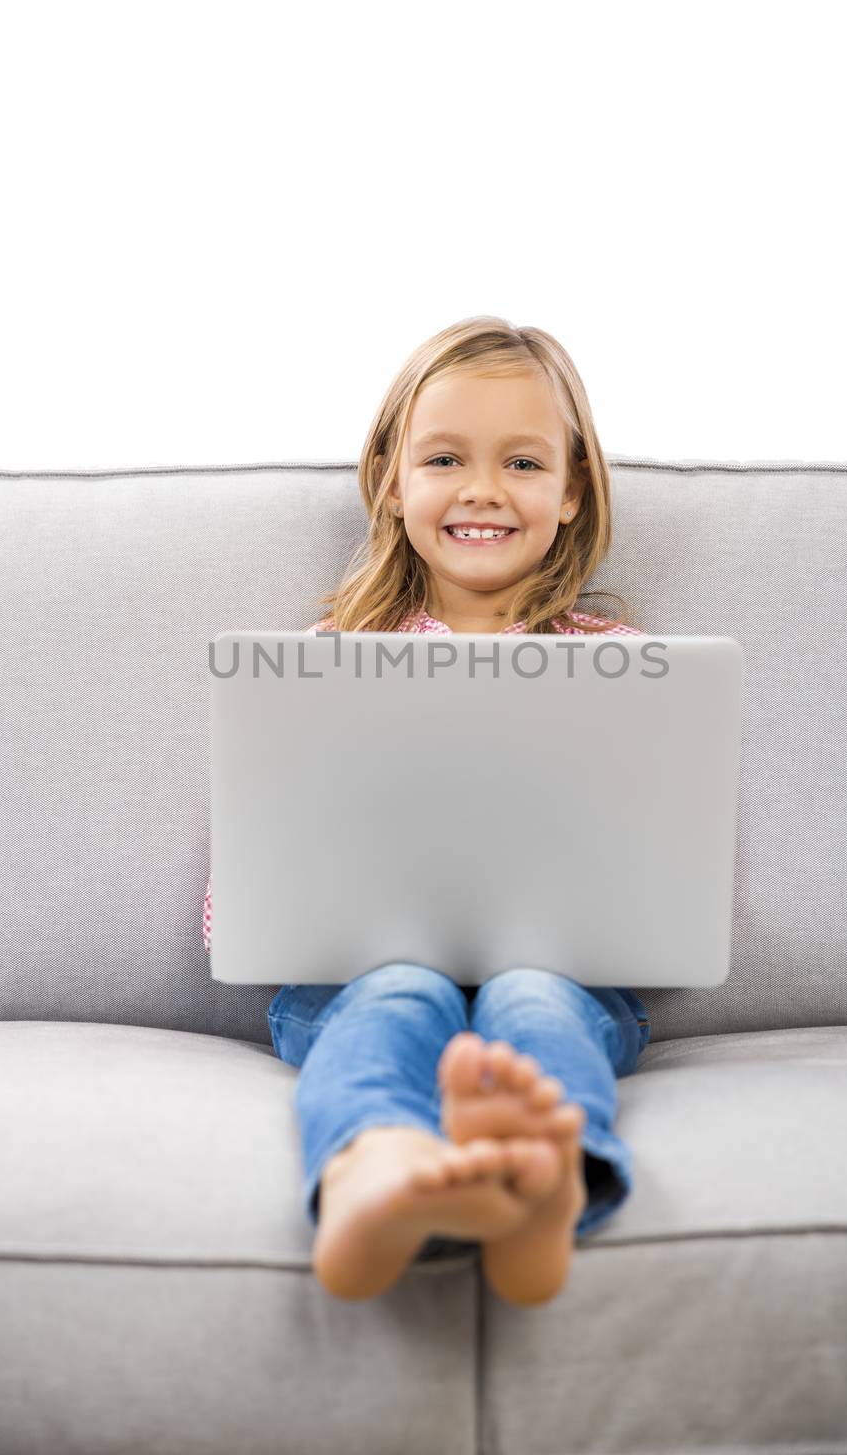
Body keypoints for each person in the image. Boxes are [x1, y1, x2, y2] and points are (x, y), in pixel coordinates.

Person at [203, 314, 652, 1305]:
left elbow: (665, 861)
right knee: (395, 990)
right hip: (355, 974)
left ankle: (544, 1183)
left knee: (531, 1000)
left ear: (572, 489)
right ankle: (377, 1170)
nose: (483, 488)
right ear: (391, 480)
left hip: (558, 971)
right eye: (444, 457)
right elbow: (243, 887)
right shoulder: (323, 657)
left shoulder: (619, 667)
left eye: (523, 461)